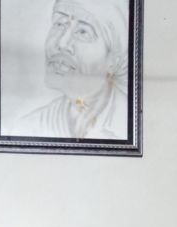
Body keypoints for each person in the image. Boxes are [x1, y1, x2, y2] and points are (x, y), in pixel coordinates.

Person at [15, 0, 129, 140]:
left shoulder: (132, 124)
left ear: (113, 60)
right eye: (59, 24)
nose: (62, 43)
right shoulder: (30, 126)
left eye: (82, 32)